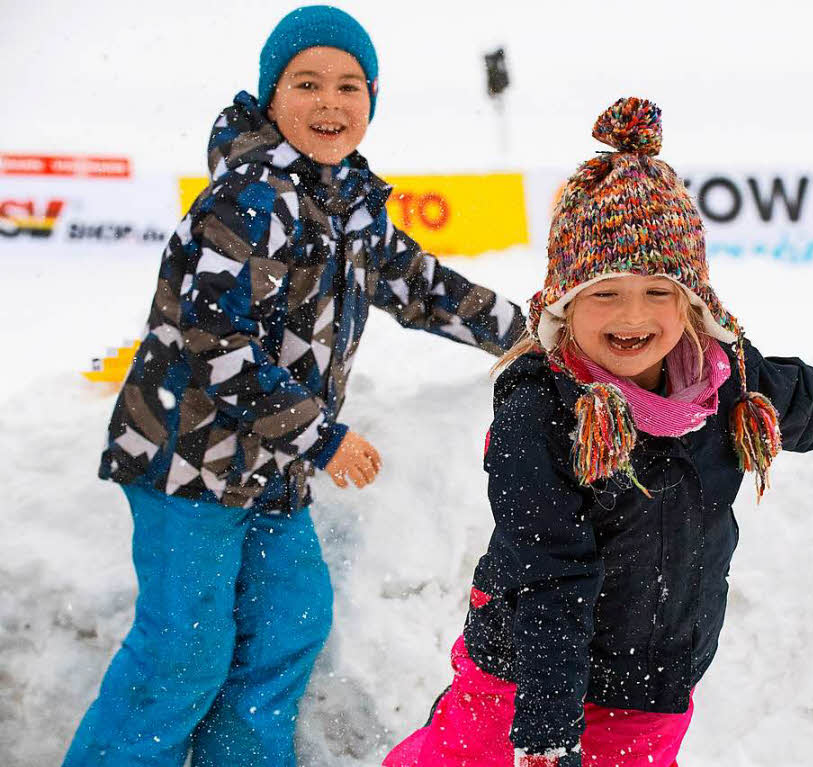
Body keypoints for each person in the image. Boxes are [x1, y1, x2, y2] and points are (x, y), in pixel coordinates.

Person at [384, 97, 813, 767]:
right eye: (604, 292)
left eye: (659, 291)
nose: (632, 315)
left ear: (692, 301)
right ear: (564, 303)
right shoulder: (543, 408)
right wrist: (549, 733)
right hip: (518, 686)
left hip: (655, 688)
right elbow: (549, 570)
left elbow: (800, 397)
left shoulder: (724, 378)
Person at [62, 6, 525, 766]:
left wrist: (533, 330)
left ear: (372, 101)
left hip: (269, 468)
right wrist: (324, 437)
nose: (330, 102)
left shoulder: (349, 205)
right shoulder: (247, 198)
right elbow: (216, 342)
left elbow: (422, 285)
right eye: (306, 83)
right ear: (271, 97)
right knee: (184, 652)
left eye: (351, 86)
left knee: (288, 621)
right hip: (190, 459)